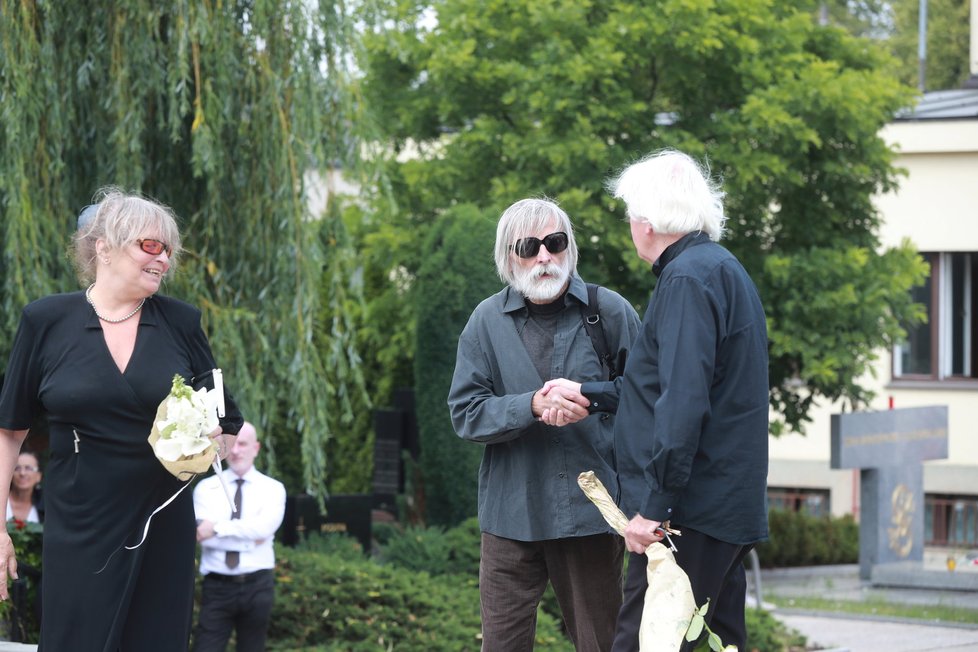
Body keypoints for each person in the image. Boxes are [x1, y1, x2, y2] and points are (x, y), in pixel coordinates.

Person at [543, 150, 769, 651]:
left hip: (688, 512)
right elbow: (667, 388)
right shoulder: (717, 268)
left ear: (647, 221)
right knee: (717, 643)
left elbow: (684, 402)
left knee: (644, 641)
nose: (630, 224)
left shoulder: (687, 280)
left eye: (629, 213)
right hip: (723, 505)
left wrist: (654, 509)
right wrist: (587, 391)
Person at [0, 188, 243, 651]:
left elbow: (224, 424)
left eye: (168, 249)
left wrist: (209, 441)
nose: (163, 259)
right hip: (79, 518)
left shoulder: (182, 323)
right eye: (150, 245)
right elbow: (10, 430)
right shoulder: (45, 320)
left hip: (162, 515)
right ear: (103, 246)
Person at [447, 197, 641, 651]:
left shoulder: (609, 312)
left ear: (569, 247)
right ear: (508, 256)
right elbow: (466, 413)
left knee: (602, 643)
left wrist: (593, 401)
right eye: (529, 246)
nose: (544, 256)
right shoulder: (485, 322)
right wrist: (531, 406)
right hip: (510, 516)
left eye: (555, 242)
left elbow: (649, 399)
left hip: (592, 515)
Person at [192, 421, 286, 652]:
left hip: (258, 585)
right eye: (231, 444)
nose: (235, 451)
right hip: (217, 586)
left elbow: (264, 529)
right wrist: (249, 537)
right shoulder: (205, 489)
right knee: (206, 647)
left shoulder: (273, 489)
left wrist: (215, 528)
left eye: (243, 444)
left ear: (256, 448)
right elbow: (201, 535)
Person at [6, 452, 43, 523]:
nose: (22, 473)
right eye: (17, 468)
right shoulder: (2, 501)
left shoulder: (46, 507)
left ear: (38, 476)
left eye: (28, 468)